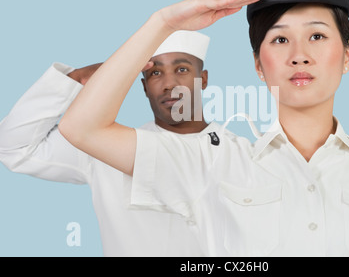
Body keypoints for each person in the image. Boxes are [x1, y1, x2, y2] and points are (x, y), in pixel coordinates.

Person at [58, 0, 349, 256]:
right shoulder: (212, 164)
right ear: (258, 64)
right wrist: (163, 23)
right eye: (279, 40)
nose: (299, 56)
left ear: (348, 55)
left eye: (317, 36)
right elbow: (83, 129)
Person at [0, 30, 216, 256]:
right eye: (155, 73)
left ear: (204, 80)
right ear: (143, 87)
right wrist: (75, 79)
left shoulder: (238, 154)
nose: (169, 83)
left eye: (182, 70)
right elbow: (12, 147)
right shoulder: (103, 150)